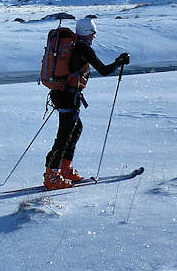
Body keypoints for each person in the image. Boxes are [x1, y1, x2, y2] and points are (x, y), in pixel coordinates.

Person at [43, 17, 129, 190]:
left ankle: (64, 168)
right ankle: (52, 175)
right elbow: (104, 70)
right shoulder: (83, 47)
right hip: (68, 95)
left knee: (74, 129)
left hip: (61, 93)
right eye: (93, 32)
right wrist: (118, 62)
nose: (95, 36)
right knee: (65, 134)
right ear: (89, 32)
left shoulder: (74, 45)